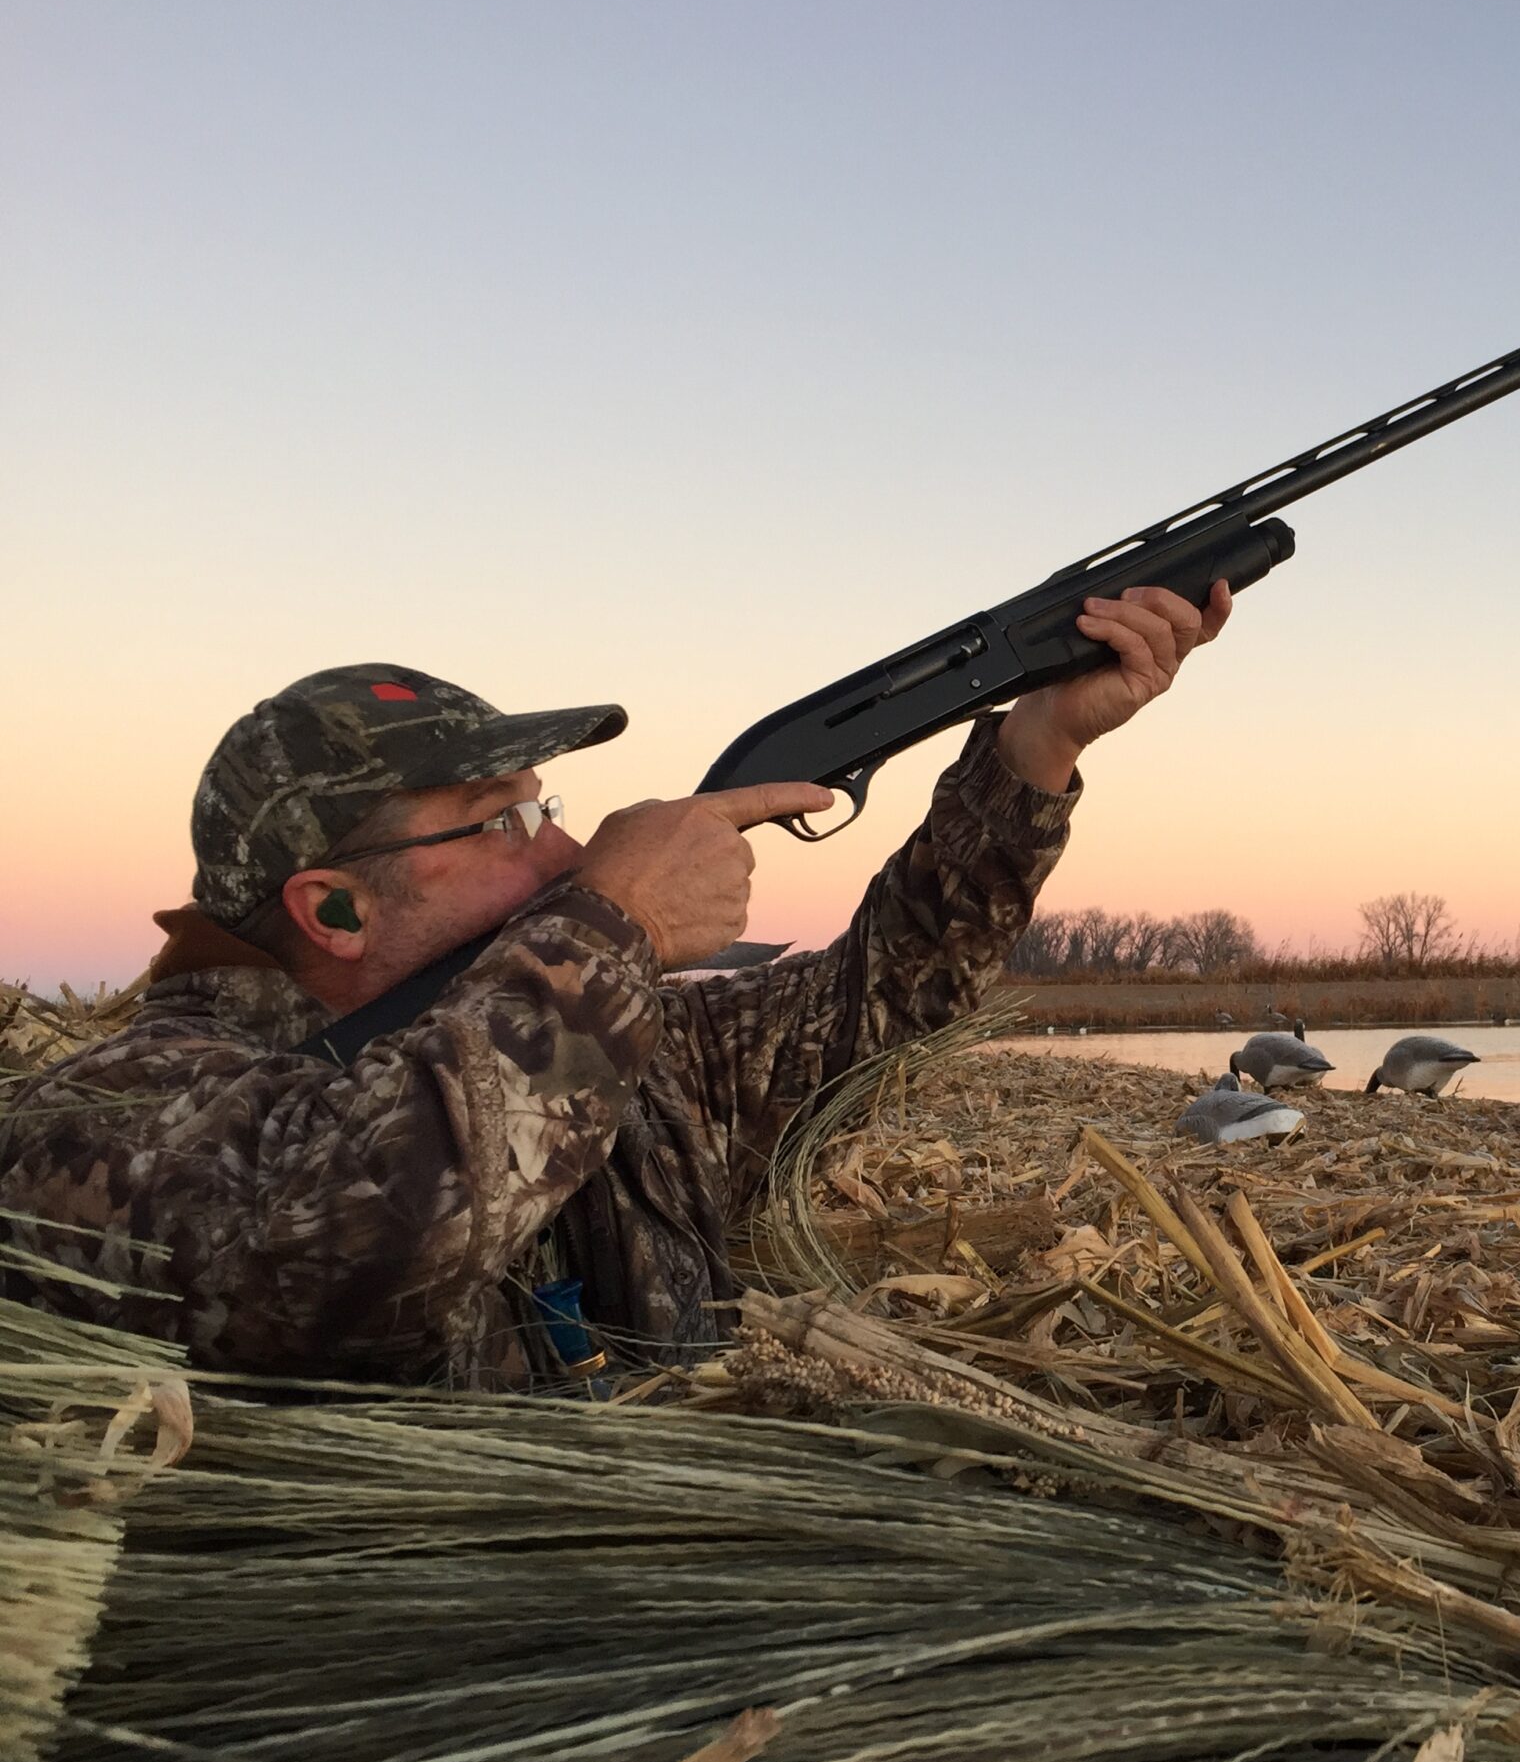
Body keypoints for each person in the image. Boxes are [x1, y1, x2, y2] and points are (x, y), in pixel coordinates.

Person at [0, 583, 1230, 1386]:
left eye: (550, 807)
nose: (563, 852)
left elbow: (880, 1003)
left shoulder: (606, 1047)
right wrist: (620, 920)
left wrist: (1034, 751)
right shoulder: (105, 1123)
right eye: (500, 822)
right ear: (333, 907)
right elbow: (357, 1233)